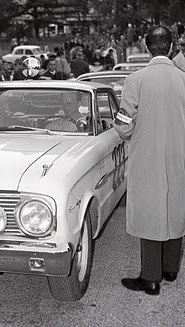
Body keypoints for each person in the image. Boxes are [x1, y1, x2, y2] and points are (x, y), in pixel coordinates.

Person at [114, 25, 185, 296]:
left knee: (150, 212)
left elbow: (123, 125)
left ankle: (151, 278)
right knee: (176, 207)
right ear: (170, 48)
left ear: (146, 48)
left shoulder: (136, 80)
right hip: (179, 154)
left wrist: (128, 131)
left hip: (147, 155)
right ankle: (170, 269)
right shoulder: (183, 79)